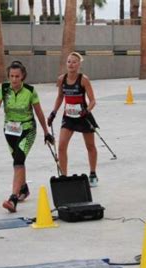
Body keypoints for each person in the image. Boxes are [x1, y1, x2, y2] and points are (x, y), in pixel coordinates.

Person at [0, 60, 54, 213]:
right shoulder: (3, 89)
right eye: (11, 76)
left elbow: (39, 113)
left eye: (17, 76)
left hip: (28, 130)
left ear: (23, 76)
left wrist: (46, 131)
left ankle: (13, 199)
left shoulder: (30, 91)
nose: (14, 79)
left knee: (18, 161)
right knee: (19, 161)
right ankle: (23, 189)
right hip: (10, 131)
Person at [47, 52, 99, 187]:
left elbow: (93, 100)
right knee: (61, 146)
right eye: (69, 61)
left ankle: (93, 173)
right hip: (68, 117)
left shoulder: (83, 79)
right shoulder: (61, 79)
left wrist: (87, 110)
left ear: (79, 64)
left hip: (83, 116)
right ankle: (64, 177)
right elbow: (60, 97)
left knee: (90, 146)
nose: (71, 64)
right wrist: (53, 113)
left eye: (74, 62)